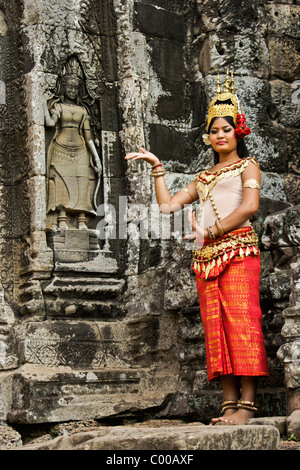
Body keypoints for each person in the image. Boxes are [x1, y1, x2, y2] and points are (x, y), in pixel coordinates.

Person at [125, 70, 269, 425]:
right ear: (208, 137)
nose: (221, 135)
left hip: (238, 251)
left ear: (239, 131)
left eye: (227, 128)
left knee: (242, 322)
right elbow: (168, 207)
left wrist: (213, 230)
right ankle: (228, 404)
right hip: (206, 258)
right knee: (215, 327)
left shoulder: (248, 166)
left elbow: (250, 207)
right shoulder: (203, 178)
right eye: (215, 130)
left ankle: (247, 407)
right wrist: (158, 169)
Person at [45, 57, 102, 230]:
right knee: (60, 181)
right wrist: (42, 103)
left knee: (83, 181)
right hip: (60, 148)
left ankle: (82, 219)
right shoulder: (59, 107)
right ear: (63, 87)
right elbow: (49, 124)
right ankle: (62, 218)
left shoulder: (83, 110)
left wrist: (97, 158)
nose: (72, 90)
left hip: (81, 150)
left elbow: (88, 137)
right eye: (69, 86)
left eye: (75, 87)